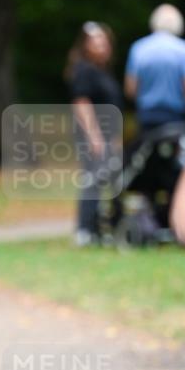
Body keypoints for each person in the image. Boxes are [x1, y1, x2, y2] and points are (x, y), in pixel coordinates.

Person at [65, 21, 124, 246]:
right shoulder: (85, 70)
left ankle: (104, 227)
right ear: (85, 46)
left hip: (107, 136)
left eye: (104, 42)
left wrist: (115, 139)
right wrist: (94, 136)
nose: (102, 46)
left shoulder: (102, 72)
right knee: (93, 180)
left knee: (109, 180)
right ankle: (85, 230)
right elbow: (81, 103)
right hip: (94, 137)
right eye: (96, 42)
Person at [124, 4, 185, 130]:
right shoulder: (184, 50)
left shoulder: (138, 48)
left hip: (146, 116)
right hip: (176, 117)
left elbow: (130, 90)